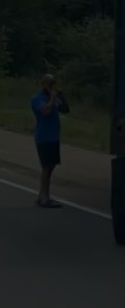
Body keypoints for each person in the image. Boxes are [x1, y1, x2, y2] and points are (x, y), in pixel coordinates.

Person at [30, 73, 70, 208]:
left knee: (51, 166)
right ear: (44, 85)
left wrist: (61, 97)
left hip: (54, 136)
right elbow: (45, 111)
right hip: (44, 136)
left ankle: (43, 195)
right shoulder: (37, 98)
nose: (52, 87)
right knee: (47, 167)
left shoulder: (53, 98)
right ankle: (44, 197)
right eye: (50, 84)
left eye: (53, 83)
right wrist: (52, 99)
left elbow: (65, 110)